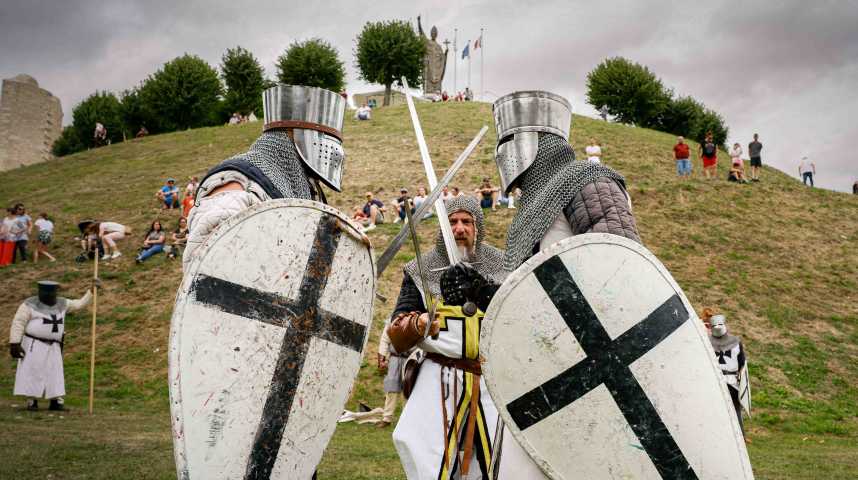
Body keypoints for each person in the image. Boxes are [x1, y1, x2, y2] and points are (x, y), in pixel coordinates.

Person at [441, 91, 641, 477]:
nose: (502, 157)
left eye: (507, 144)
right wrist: (480, 291)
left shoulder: (589, 182)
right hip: (540, 377)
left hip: (592, 380)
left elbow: (621, 276)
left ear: (531, 142)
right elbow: (529, 303)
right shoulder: (527, 216)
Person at [387, 196, 507, 480]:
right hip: (440, 378)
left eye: (467, 222)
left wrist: (484, 292)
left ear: (478, 227)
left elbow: (519, 316)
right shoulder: (421, 270)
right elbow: (397, 332)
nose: (459, 228)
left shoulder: (502, 265)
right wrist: (423, 321)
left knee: (498, 462)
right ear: (443, 229)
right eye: (452, 222)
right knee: (430, 461)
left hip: (492, 379)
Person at [185, 84, 347, 269]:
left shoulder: (297, 184)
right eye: (324, 136)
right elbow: (207, 278)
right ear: (293, 132)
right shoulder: (237, 189)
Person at [9, 280, 94, 411]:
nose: (48, 294)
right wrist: (15, 343)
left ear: (55, 291)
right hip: (34, 344)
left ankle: (56, 401)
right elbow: (18, 322)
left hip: (54, 346)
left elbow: (79, 304)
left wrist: (92, 291)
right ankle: (32, 400)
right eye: (45, 291)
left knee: (55, 372)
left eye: (51, 291)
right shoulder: (29, 304)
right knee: (33, 371)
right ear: (40, 291)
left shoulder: (62, 303)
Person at [708, 314, 747, 432]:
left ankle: (740, 436)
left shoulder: (736, 342)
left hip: (732, 382)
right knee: (717, 412)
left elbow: (742, 364)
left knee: (735, 411)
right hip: (715, 381)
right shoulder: (706, 343)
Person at [377, 321, 410, 429]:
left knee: (408, 389)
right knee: (391, 388)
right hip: (394, 358)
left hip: (410, 359)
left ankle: (406, 420)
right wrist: (382, 357)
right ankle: (387, 418)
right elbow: (385, 339)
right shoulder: (393, 319)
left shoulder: (417, 316)